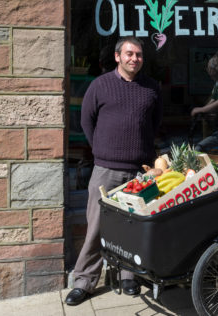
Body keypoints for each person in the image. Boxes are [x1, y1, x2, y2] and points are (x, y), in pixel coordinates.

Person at [65, 36, 163, 306]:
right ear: (117, 57)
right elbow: (86, 120)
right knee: (96, 227)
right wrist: (101, 148)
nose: (135, 59)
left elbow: (154, 124)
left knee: (134, 227)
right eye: (129, 54)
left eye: (139, 55)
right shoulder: (100, 85)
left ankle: (128, 276)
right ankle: (84, 281)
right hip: (106, 170)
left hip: (140, 172)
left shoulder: (151, 88)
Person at [191, 49, 218, 152]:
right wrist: (205, 110)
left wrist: (202, 110)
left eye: (216, 68)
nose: (213, 74)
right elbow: (214, 100)